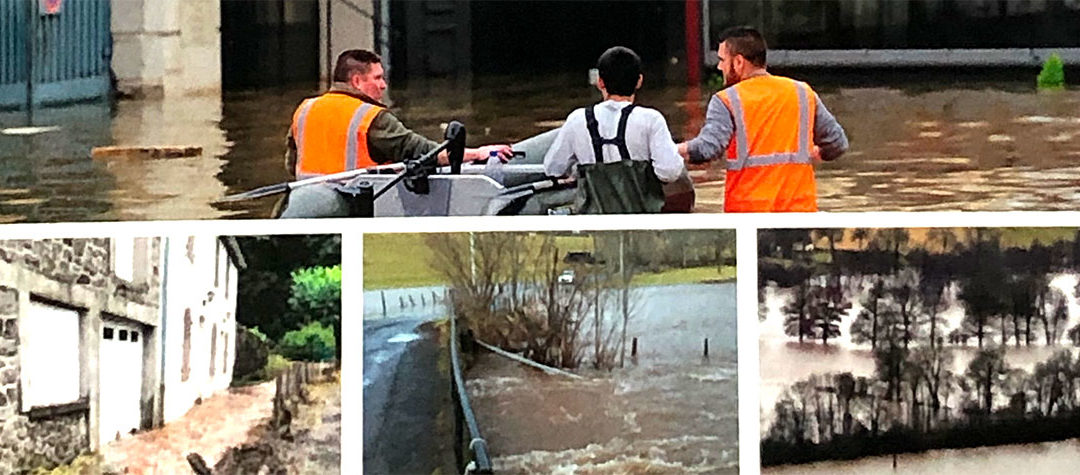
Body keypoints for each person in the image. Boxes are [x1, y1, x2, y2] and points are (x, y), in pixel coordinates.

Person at [678, 26, 848, 212]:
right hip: (800, 214)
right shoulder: (802, 92)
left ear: (739, 62)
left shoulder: (727, 100)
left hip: (749, 218)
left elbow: (707, 149)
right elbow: (837, 143)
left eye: (722, 60)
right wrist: (817, 153)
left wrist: (671, 149)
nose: (719, 67)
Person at [285, 49, 511, 180]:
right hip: (354, 204)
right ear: (356, 81)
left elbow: (291, 163)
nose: (383, 85)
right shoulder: (371, 117)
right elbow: (426, 153)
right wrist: (479, 153)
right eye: (378, 78)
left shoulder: (305, 109)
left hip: (306, 198)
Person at [543, 46, 686, 214]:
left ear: (600, 82)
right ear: (639, 81)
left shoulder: (577, 119)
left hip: (595, 226)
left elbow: (552, 168)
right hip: (641, 224)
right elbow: (669, 172)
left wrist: (577, 169)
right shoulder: (651, 120)